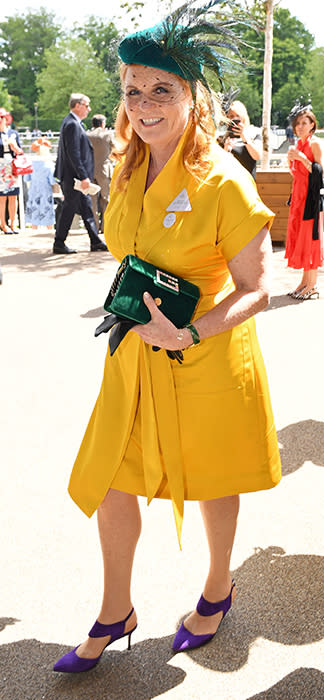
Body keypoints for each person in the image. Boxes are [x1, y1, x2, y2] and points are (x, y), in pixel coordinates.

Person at [53, 2, 281, 674]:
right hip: (132, 357)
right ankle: (115, 609)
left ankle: (217, 588)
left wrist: (188, 332)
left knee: (212, 480)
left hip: (205, 357)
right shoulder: (125, 165)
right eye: (133, 90)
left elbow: (259, 287)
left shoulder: (225, 181)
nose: (144, 103)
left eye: (162, 90)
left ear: (191, 95)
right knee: (112, 480)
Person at [53, 93, 108, 254]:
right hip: (74, 177)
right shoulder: (72, 124)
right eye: (87, 105)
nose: (89, 109)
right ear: (77, 105)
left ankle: (95, 241)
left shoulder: (73, 123)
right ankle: (59, 242)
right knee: (69, 208)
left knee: (86, 208)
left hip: (73, 176)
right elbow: (74, 153)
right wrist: (83, 176)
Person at [285, 107, 324, 299]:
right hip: (299, 199)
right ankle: (304, 282)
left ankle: (312, 285)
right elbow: (297, 175)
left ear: (312, 125)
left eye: (304, 123)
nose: (300, 127)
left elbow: (319, 172)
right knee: (302, 238)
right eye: (297, 123)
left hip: (312, 200)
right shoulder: (299, 144)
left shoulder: (315, 144)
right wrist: (291, 161)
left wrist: (300, 158)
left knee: (311, 240)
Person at [87, 114, 114, 234]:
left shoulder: (87, 135)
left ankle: (94, 226)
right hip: (105, 169)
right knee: (106, 199)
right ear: (103, 124)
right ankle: (105, 226)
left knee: (92, 200)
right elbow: (116, 150)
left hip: (90, 170)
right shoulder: (108, 135)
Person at [0, 108, 23, 234]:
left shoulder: (13, 133)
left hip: (12, 166)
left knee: (13, 195)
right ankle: (3, 224)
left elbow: (20, 151)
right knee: (2, 197)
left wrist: (14, 146)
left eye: (2, 118)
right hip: (0, 167)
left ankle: (13, 223)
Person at [226, 100, 262, 180]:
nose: (235, 119)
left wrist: (244, 136)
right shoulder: (223, 138)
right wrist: (226, 150)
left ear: (243, 117)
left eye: (238, 116)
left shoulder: (254, 134)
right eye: (231, 116)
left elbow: (257, 156)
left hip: (248, 184)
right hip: (229, 184)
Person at [25, 137, 56, 229]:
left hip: (33, 189)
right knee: (47, 211)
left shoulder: (31, 163)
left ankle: (34, 230)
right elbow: (52, 181)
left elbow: (26, 178)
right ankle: (50, 231)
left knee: (34, 211)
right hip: (45, 190)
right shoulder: (49, 164)